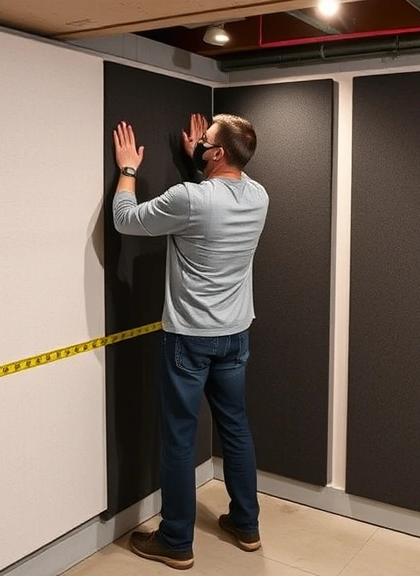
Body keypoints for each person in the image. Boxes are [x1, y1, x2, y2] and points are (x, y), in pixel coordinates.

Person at [110, 113, 269, 570]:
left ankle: (176, 541)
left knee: (179, 439)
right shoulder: (258, 195)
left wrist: (128, 169)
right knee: (235, 428)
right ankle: (247, 525)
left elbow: (125, 219)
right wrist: (200, 159)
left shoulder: (190, 198)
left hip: (189, 339)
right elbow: (218, 193)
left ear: (216, 153)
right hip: (235, 335)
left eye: (206, 140)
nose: (198, 142)